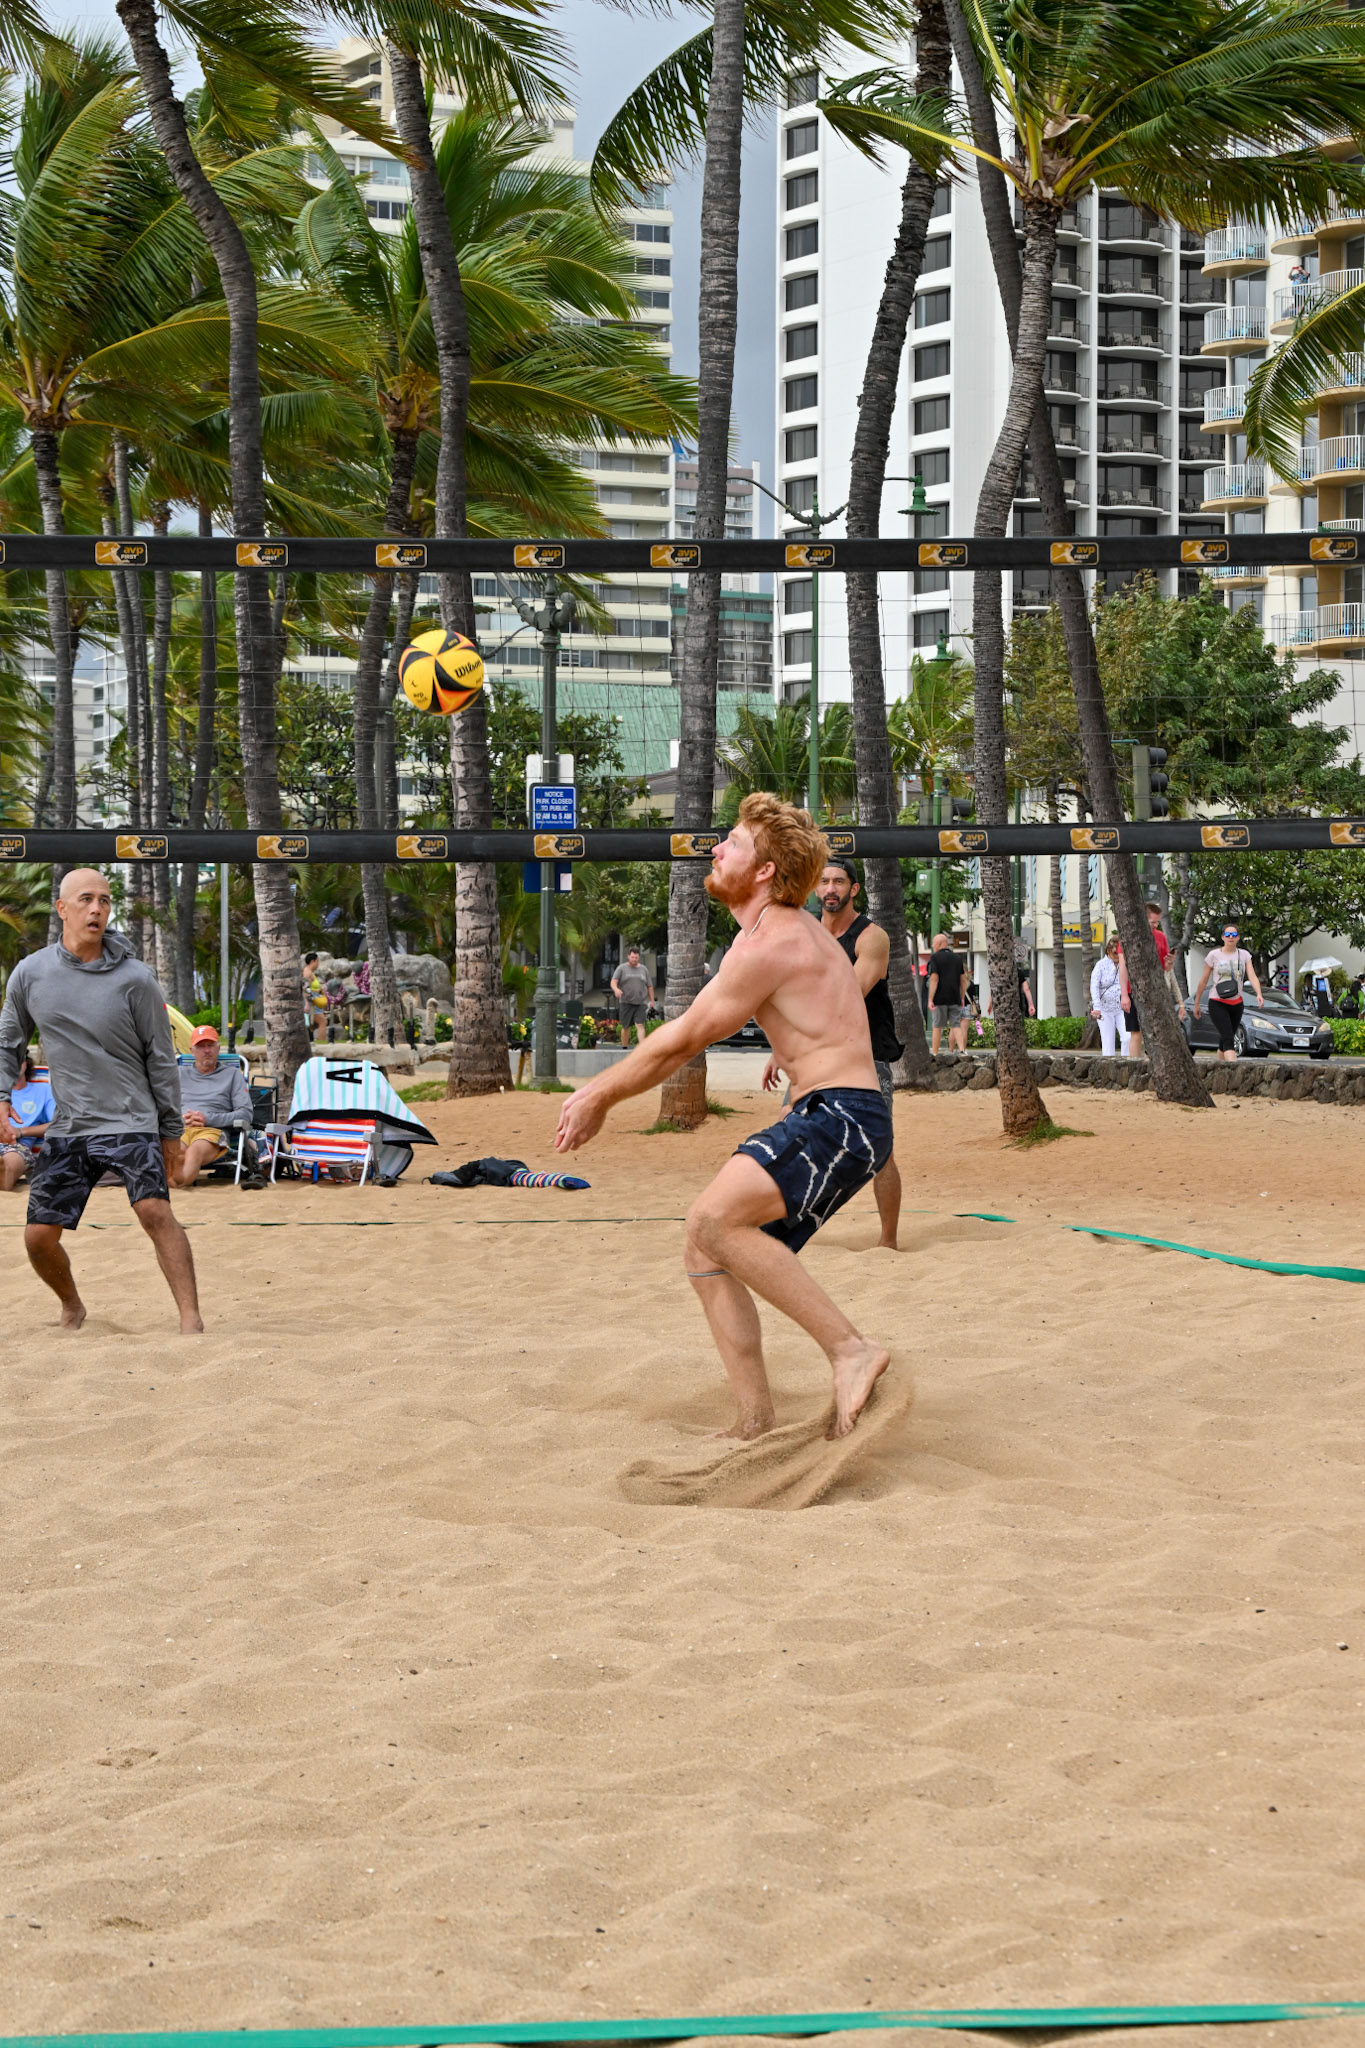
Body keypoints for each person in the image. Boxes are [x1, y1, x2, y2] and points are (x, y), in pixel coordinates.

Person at [555, 793, 891, 1442]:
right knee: (703, 1244)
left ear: (764, 870)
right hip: (842, 1117)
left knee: (712, 1218)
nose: (715, 849)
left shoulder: (772, 939)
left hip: (841, 1116)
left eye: (731, 842)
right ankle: (754, 1421)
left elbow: (683, 1038)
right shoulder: (785, 935)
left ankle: (850, 1350)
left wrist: (598, 1093)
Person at [0, 869, 202, 1332]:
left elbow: (161, 1057)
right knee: (37, 1238)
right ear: (63, 908)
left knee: (154, 1210)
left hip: (131, 1117)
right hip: (69, 1125)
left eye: (106, 901)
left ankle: (191, 1319)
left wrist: (171, 1132)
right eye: (87, 899)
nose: (97, 909)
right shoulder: (31, 974)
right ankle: (72, 1306)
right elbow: (8, 1041)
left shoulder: (136, 979)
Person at [761, 855, 903, 1251]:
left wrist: (793, 1038)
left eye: (839, 881)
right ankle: (778, 1228)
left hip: (865, 1055)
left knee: (881, 1152)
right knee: (785, 1132)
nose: (830, 889)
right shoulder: (806, 936)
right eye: (823, 882)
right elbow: (790, 997)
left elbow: (847, 997)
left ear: (854, 889)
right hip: (815, 1053)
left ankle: (888, 1241)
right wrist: (782, 1048)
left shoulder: (870, 936)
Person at [172, 1024, 256, 1187]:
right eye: (201, 1046)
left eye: (210, 1045)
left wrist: (207, 1119)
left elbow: (245, 1114)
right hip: (180, 1128)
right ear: (192, 1050)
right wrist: (179, 1119)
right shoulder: (179, 1074)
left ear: (218, 1048)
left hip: (212, 1131)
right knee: (177, 1151)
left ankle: (175, 1186)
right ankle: (173, 1185)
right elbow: (162, 1108)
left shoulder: (231, 1075)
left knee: (194, 1152)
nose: (206, 1050)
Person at [1118, 900, 1186, 1057]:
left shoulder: (1161, 937)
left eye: (1157, 922)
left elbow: (1166, 969)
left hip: (1156, 990)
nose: (1155, 925)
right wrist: (1124, 994)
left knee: (1157, 1030)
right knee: (1136, 1032)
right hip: (1133, 990)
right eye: (1152, 922)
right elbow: (1123, 967)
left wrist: (1169, 963)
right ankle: (1134, 1066)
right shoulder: (1128, 936)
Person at [1192, 923, 1264, 1062]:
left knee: (1225, 1037)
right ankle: (1233, 1069)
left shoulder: (1244, 955)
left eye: (1234, 935)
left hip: (1237, 1003)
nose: (1231, 937)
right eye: (1228, 935)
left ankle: (1219, 1069)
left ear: (1238, 938)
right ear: (1222, 937)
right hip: (1217, 1002)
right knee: (1228, 1038)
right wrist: (1197, 1003)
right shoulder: (1214, 955)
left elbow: (1252, 975)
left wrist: (1259, 993)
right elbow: (1203, 980)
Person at [1, 1049, 55, 1192]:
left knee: (11, 1160)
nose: (14, 1063)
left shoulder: (43, 1090)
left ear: (27, 1062)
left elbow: (59, 1125)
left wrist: (20, 1131)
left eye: (18, 1058)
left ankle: (3, 1174)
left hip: (18, 1146)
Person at [926, 932, 969, 1053]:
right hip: (955, 997)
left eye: (934, 943)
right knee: (956, 1025)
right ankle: (962, 1050)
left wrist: (930, 999)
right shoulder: (957, 958)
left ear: (939, 944)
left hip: (939, 998)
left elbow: (934, 979)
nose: (933, 946)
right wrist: (961, 997)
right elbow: (963, 980)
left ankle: (935, 1053)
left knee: (937, 1026)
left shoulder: (935, 958)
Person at [1089, 938, 1129, 1055]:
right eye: (1115, 952)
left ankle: (1126, 1062)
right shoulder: (1100, 965)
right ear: (1108, 951)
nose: (1117, 955)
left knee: (1127, 1037)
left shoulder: (1125, 964)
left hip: (1122, 1008)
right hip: (1104, 1009)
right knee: (1108, 1042)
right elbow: (1094, 986)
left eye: (1119, 952)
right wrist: (1097, 1007)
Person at [610, 947, 655, 1047]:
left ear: (639, 957)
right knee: (626, 1027)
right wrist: (616, 989)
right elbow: (613, 981)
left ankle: (642, 1049)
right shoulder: (621, 968)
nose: (634, 959)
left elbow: (650, 986)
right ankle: (624, 1047)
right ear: (628, 956)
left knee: (640, 1024)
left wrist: (652, 1000)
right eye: (632, 957)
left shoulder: (644, 969)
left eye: (636, 957)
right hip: (626, 1002)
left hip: (640, 1002)